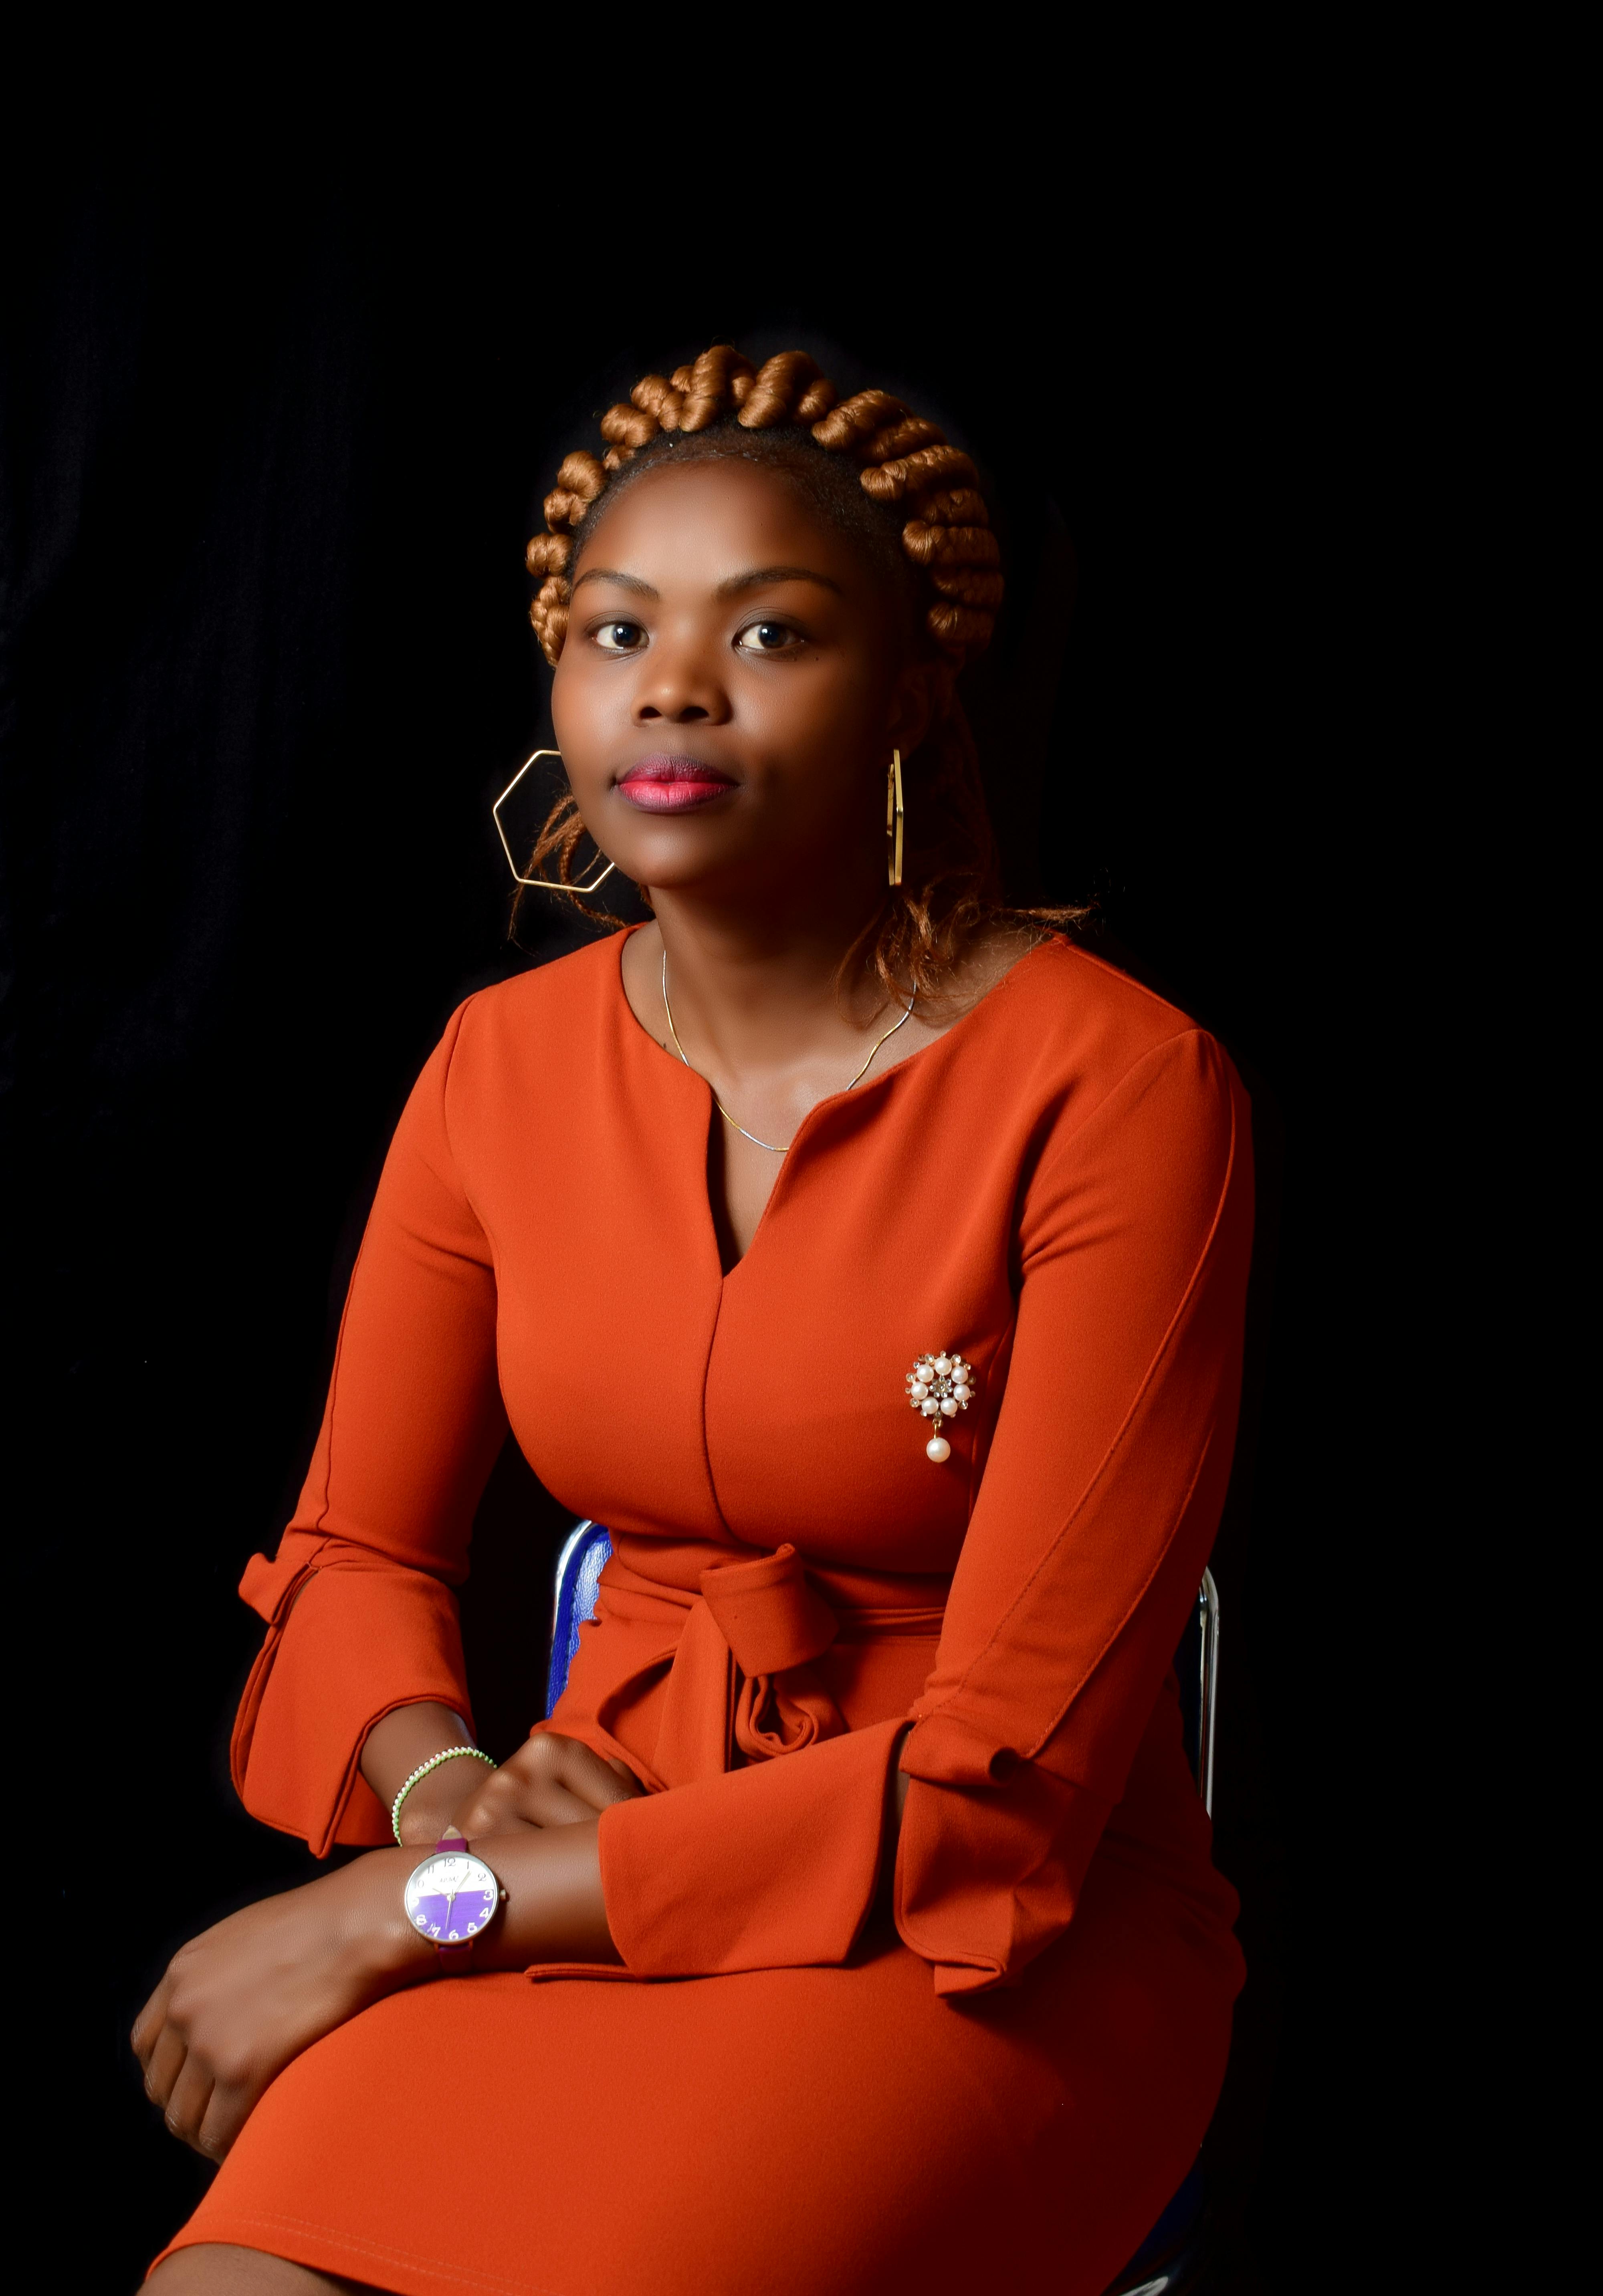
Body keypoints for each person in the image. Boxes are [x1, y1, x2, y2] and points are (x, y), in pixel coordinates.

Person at [137, 344, 1254, 2296]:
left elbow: (1004, 1789)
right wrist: (442, 1797)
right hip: (571, 1861)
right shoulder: (495, 1069)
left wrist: (419, 1909)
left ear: (912, 691)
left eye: (771, 631)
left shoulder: (1124, 1092)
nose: (673, 683)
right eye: (614, 629)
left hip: (982, 1946)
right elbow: (356, 1556)